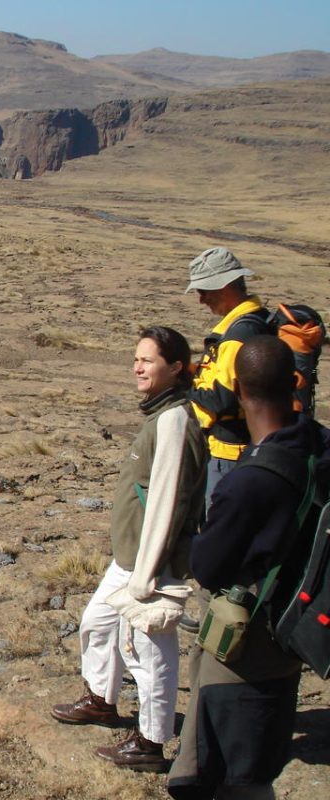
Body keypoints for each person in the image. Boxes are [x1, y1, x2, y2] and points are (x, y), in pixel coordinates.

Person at [168, 336, 330, 800]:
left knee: (233, 775)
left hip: (246, 651)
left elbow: (210, 567)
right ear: (295, 382)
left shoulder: (249, 483)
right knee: (261, 753)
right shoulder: (321, 449)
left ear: (237, 388)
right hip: (296, 627)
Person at [51, 327, 208, 772]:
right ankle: (101, 700)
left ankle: (151, 743)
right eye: (136, 359)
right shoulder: (161, 414)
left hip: (150, 562)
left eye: (149, 360)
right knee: (97, 624)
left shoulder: (175, 419)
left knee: (150, 654)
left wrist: (149, 571)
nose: (138, 367)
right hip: (130, 557)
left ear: (176, 367)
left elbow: (169, 498)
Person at [186, 247, 268, 504]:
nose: (201, 300)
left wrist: (186, 385)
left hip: (230, 453)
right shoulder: (259, 320)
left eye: (204, 291)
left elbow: (223, 400)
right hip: (249, 446)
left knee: (220, 524)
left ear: (224, 287)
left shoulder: (236, 337)